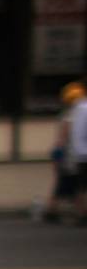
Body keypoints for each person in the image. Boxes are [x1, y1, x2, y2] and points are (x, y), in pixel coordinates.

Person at [41, 81, 87, 224]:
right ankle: (78, 213)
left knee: (64, 185)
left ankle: (52, 211)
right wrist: (59, 153)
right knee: (73, 185)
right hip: (71, 156)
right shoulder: (73, 114)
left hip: (69, 154)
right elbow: (64, 136)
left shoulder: (68, 113)